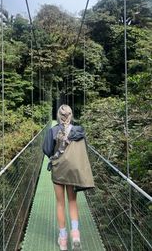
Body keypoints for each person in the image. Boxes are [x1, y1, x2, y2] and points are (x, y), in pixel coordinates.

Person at [42, 104, 95, 250]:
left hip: (58, 171)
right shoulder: (78, 131)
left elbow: (46, 150)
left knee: (60, 203)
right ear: (71, 115)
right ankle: (76, 235)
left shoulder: (52, 131)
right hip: (72, 172)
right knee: (72, 201)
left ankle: (63, 239)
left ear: (58, 116)